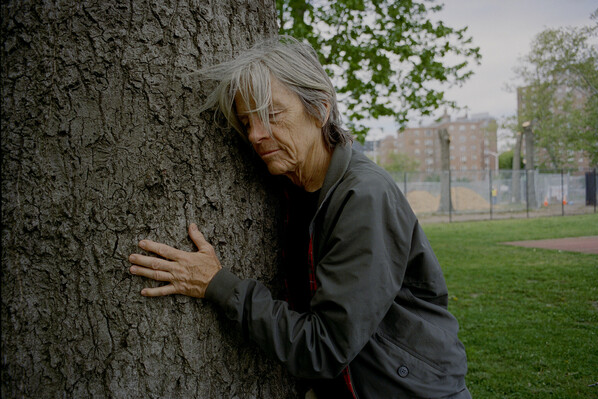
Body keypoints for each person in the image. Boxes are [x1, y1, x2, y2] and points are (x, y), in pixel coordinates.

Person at [129, 36, 470, 398]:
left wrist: (218, 285)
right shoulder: (293, 186)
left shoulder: (362, 197)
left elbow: (323, 348)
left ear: (320, 109)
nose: (257, 135)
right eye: (247, 122)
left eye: (272, 115)